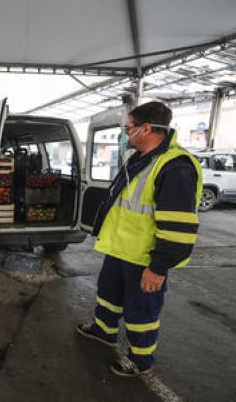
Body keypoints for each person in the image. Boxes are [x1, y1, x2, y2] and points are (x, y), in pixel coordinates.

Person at [76, 102, 202, 377]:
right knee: (108, 296)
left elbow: (178, 228)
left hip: (144, 257)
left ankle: (141, 359)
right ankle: (103, 331)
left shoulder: (175, 167)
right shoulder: (139, 159)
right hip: (120, 249)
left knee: (141, 311)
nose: (125, 134)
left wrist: (158, 267)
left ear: (145, 128)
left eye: (128, 128)